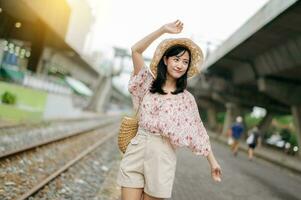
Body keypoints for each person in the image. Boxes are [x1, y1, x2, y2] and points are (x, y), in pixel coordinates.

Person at [116, 20, 222, 200]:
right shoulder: (147, 83)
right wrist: (163, 30)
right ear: (166, 60)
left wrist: (213, 163)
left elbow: (198, 131)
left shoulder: (186, 100)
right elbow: (136, 50)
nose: (180, 64)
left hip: (163, 155)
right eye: (176, 59)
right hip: (137, 147)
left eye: (185, 62)